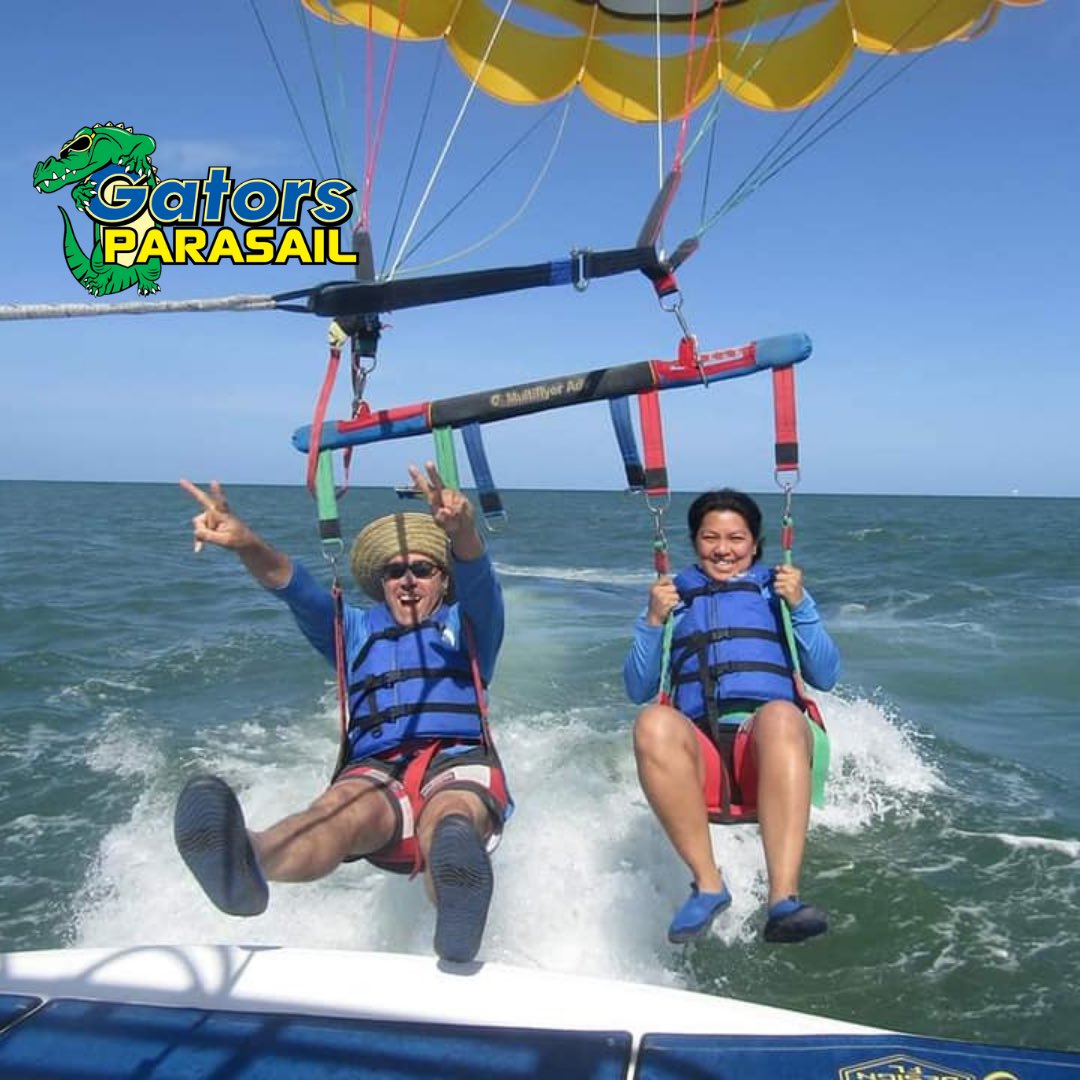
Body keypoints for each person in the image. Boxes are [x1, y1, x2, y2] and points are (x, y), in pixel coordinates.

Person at [173, 463, 509, 964]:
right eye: (396, 571)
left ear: (443, 579)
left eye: (422, 569)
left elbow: (479, 581)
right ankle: (246, 859)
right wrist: (246, 543)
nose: (409, 581)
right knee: (335, 814)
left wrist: (461, 530)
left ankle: (457, 915)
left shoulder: (471, 626)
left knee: (452, 819)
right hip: (375, 771)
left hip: (456, 760)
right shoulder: (352, 630)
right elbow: (296, 586)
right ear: (381, 581)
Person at [623, 488, 839, 945]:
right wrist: (651, 621)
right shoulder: (674, 598)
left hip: (767, 748)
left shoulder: (776, 592)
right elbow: (637, 688)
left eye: (736, 538)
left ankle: (783, 901)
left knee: (780, 714)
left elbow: (826, 673)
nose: (723, 549)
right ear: (694, 542)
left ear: (756, 544)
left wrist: (802, 606)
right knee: (650, 722)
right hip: (700, 758)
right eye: (710, 538)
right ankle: (707, 884)